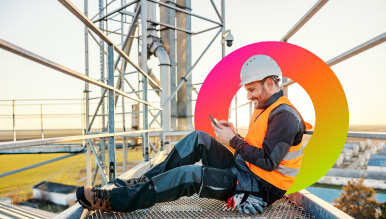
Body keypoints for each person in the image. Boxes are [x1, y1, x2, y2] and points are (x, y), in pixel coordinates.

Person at [76, 54, 311, 214]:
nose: (248, 96)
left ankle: (115, 201)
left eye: (251, 90)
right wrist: (234, 134)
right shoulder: (268, 107)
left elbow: (269, 162)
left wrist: (234, 142)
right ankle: (145, 181)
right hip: (246, 169)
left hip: (259, 186)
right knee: (199, 138)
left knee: (188, 175)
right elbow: (261, 144)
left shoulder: (285, 117)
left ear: (269, 83)